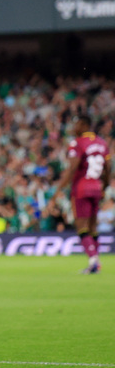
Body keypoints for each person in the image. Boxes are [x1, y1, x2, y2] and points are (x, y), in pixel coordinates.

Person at [65, 115, 110, 274]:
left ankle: (93, 261)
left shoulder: (77, 143)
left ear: (84, 124)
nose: (74, 128)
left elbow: (72, 168)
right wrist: (104, 186)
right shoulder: (102, 143)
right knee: (93, 227)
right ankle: (96, 261)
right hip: (97, 187)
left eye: (76, 124)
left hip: (81, 188)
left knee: (82, 227)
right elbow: (108, 167)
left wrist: (59, 189)